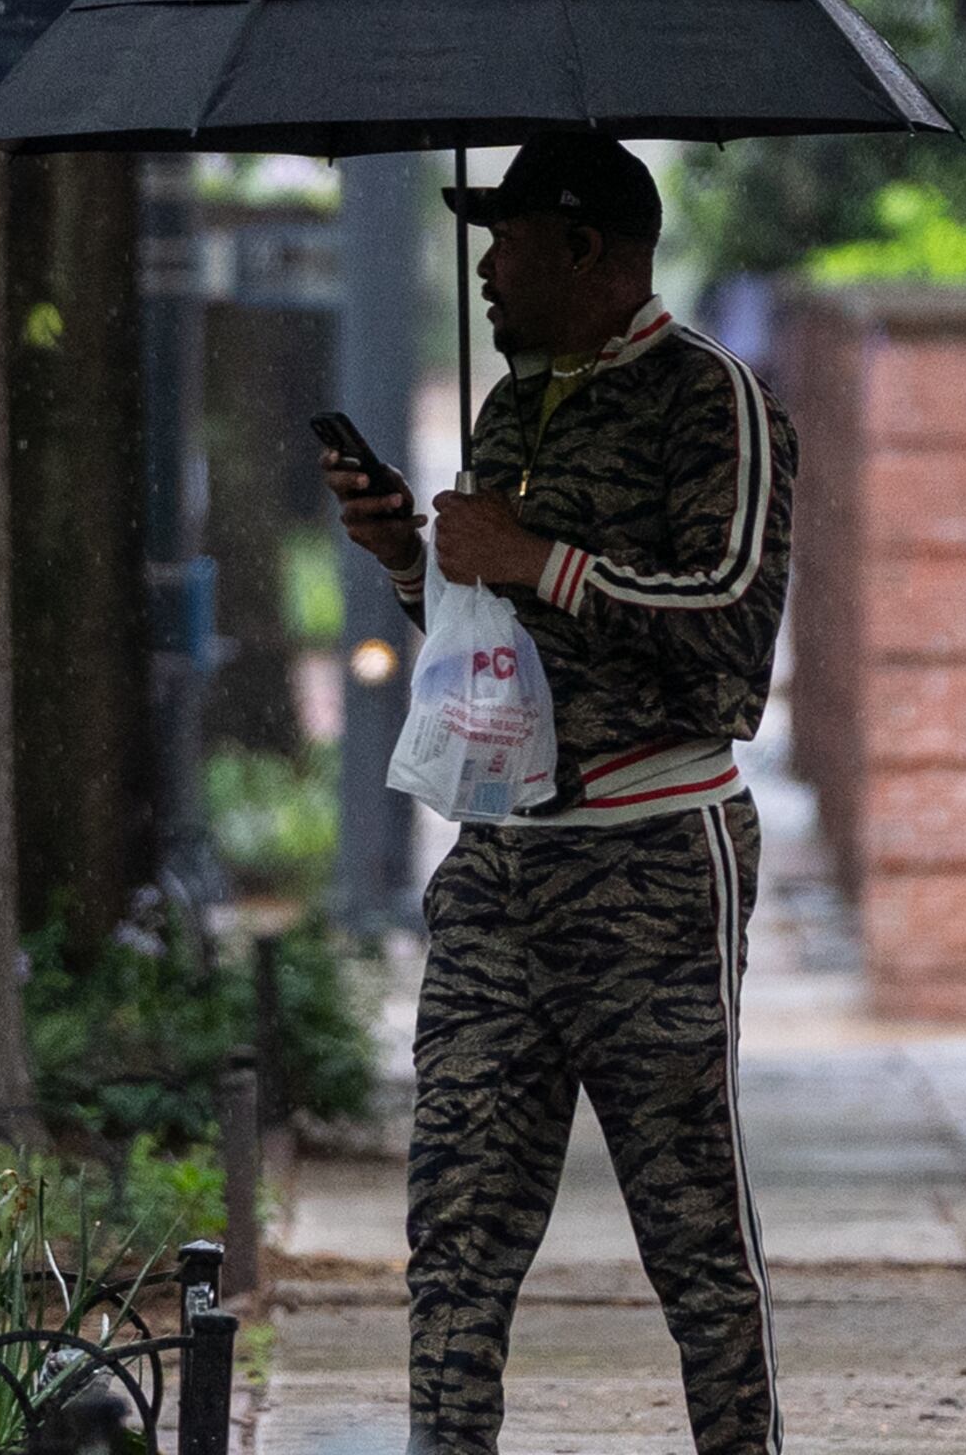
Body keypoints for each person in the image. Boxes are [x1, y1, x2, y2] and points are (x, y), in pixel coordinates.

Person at [322, 132, 798, 1455]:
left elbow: (728, 616)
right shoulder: (510, 412)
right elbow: (488, 648)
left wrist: (534, 556)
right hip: (501, 865)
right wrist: (412, 562)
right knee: (454, 1235)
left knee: (694, 1242)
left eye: (509, 237)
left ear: (589, 247)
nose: (486, 266)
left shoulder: (716, 402)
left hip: (653, 856)